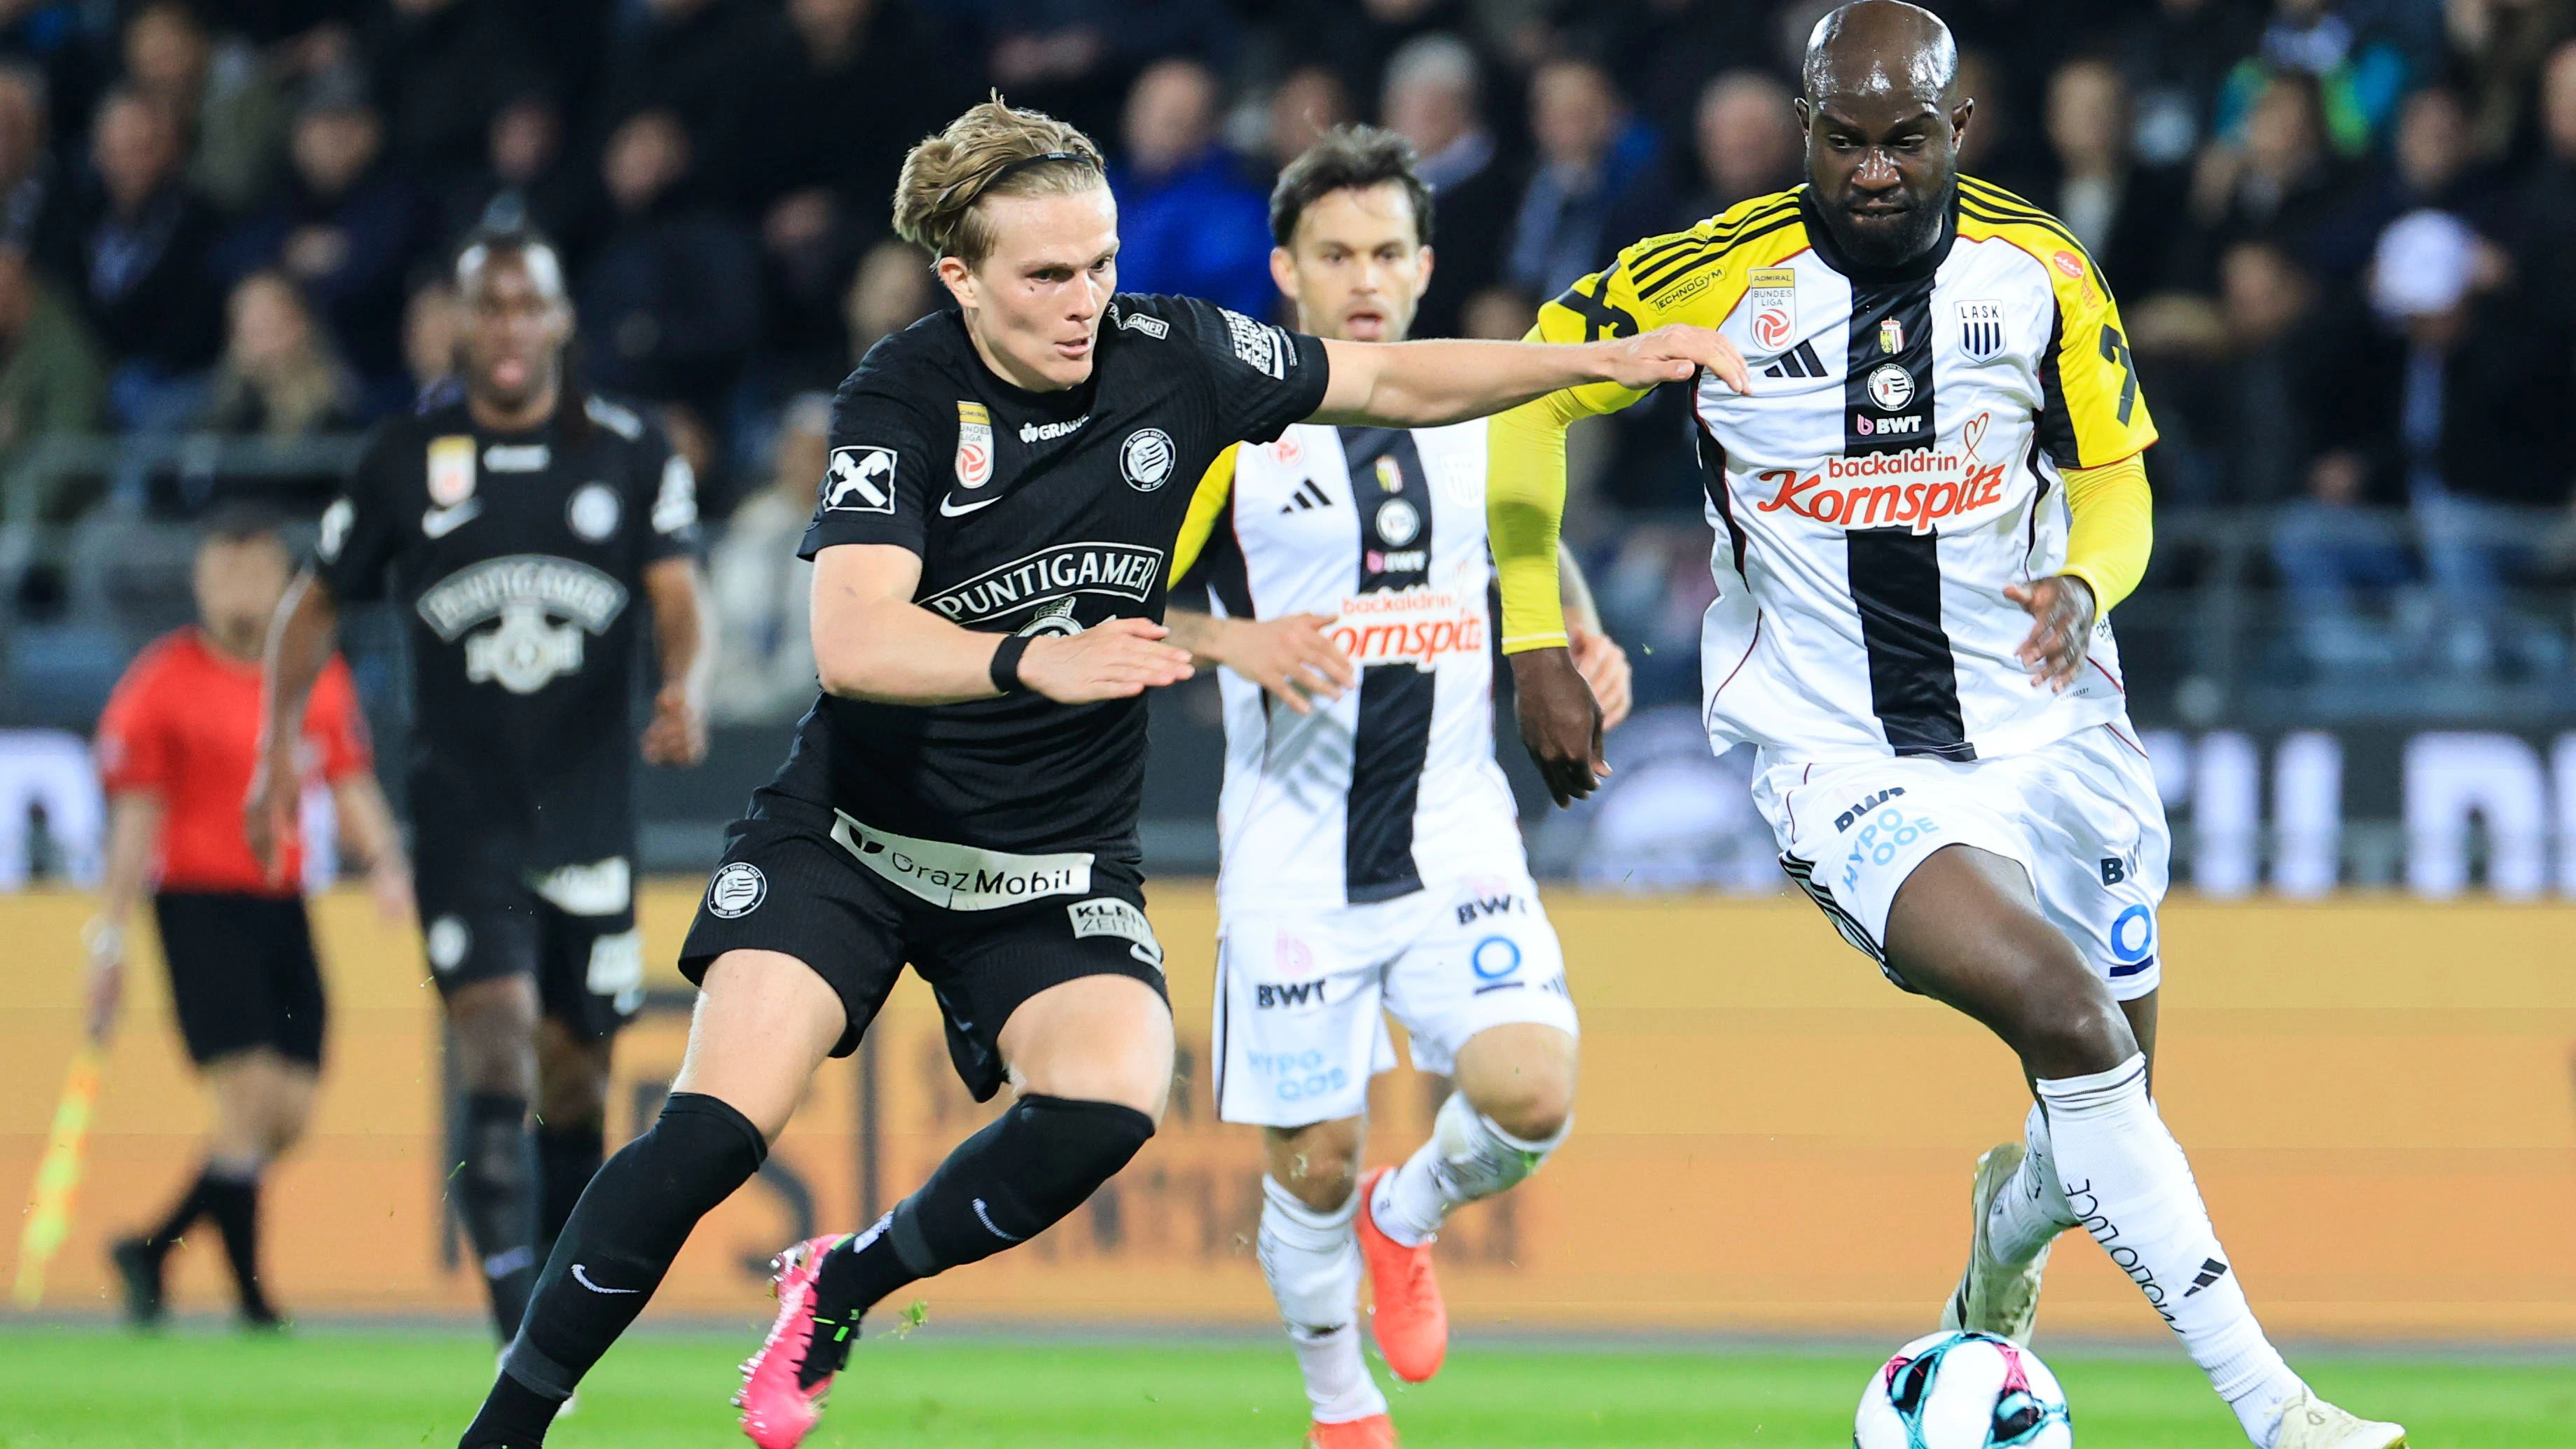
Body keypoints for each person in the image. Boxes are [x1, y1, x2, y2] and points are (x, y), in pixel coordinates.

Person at [451, 96, 1737, 1449]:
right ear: (961, 277)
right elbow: (853, 639)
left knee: (1110, 1103)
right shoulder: (900, 393)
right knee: (715, 1128)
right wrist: (1032, 657)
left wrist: (1605, 359)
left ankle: (846, 1280)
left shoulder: (1175, 354)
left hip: (1048, 859)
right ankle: (506, 1429)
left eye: (1103, 264)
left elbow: (1393, 382)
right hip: (858, 837)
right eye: (1048, 275)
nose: (1085, 302)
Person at [1485, 7, 2405, 1449]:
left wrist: (2087, 584)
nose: (1872, 169)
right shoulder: (1704, 274)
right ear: (1803, 127)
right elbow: (1524, 403)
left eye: (1903, 139)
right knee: (2069, 1016)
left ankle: (2004, 1229)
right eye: (1843, 139)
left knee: (2102, 1107)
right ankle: (2277, 1409)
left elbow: (2115, 480)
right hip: (1837, 751)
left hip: (2056, 734)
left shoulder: (2040, 268)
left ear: (1956, 128)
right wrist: (1535, 632)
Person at [1162, 125, 1632, 1449]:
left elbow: (1525, 534)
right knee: (1309, 1162)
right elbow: (1110, 599)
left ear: (1424, 266)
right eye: (1334, 255)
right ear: (1284, 272)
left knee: (1532, 1091)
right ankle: (1341, 1410)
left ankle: (1405, 1213)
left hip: (1453, 834)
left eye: (1385, 252)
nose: (1363, 278)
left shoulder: (1480, 410)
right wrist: (1233, 641)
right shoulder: (1225, 433)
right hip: (1292, 854)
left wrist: (1575, 629)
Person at [248, 228, 711, 1349]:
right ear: (458, 324)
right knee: (495, 1045)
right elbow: (312, 604)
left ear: (559, 321)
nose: (508, 327)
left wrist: (684, 687)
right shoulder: (404, 459)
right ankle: (520, 1329)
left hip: (588, 815)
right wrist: (275, 756)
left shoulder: (628, 452)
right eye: (487, 306)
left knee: (575, 1074)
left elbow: (676, 593)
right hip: (462, 814)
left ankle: (555, 1294)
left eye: (526, 305)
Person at [92, 505, 408, 1329]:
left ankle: (152, 1247)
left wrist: (386, 862)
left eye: (256, 572)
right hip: (198, 902)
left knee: (290, 1110)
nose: (239, 589)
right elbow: (134, 816)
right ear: (199, 582)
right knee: (248, 1094)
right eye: (223, 572)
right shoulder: (162, 682)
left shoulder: (312, 674)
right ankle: (252, 1297)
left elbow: (348, 777)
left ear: (284, 583)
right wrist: (109, 935)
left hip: (283, 901)